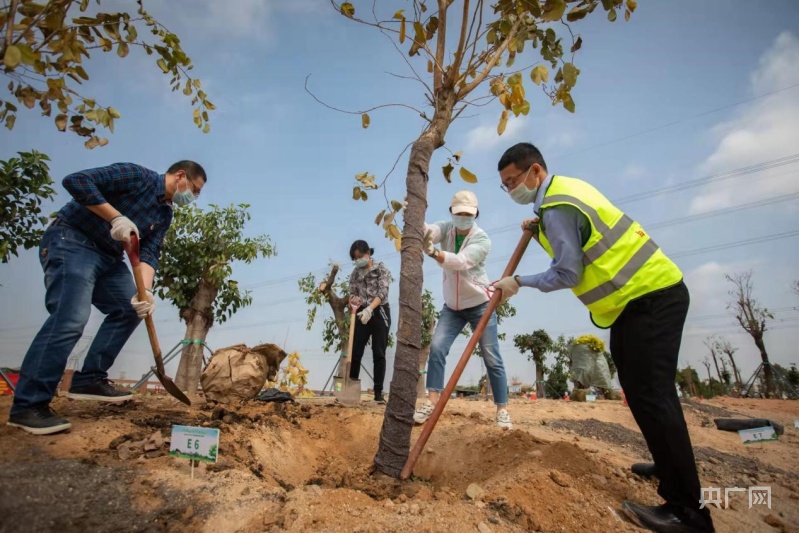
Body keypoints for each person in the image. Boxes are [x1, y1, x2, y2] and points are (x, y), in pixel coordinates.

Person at [491, 142, 714, 533]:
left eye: (513, 181)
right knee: (640, 391)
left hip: (649, 297)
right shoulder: (562, 194)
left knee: (653, 395)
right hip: (634, 302)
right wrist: (539, 227)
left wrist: (519, 282)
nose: (511, 190)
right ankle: (668, 465)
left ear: (535, 171)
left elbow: (568, 272)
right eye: (505, 185)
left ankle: (689, 512)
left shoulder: (556, 207)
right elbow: (576, 238)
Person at [7, 161, 207, 435]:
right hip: (72, 240)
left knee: (130, 309)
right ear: (181, 175)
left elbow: (149, 252)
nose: (193, 197)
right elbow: (76, 180)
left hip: (108, 258)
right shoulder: (138, 176)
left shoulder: (165, 214)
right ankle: (28, 406)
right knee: (71, 318)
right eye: (194, 190)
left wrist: (146, 292)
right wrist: (115, 217)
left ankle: (88, 379)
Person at [413, 190, 512, 429]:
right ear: (451, 212)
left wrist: (434, 253)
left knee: (491, 356)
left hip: (480, 305)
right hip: (453, 307)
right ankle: (431, 401)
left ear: (476, 214)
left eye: (468, 214)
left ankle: (502, 409)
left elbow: (460, 262)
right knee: (437, 347)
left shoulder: (482, 240)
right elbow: (429, 232)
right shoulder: (446, 228)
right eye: (459, 213)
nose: (463, 218)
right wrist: (413, 214)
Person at [347, 240, 392, 404]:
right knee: (355, 352)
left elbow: (383, 292)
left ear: (368, 253)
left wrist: (370, 309)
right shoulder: (355, 273)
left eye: (360, 256)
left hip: (379, 311)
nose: (358, 260)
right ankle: (350, 392)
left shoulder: (381, 268)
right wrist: (354, 302)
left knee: (378, 352)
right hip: (361, 313)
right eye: (355, 258)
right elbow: (352, 293)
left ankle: (378, 393)